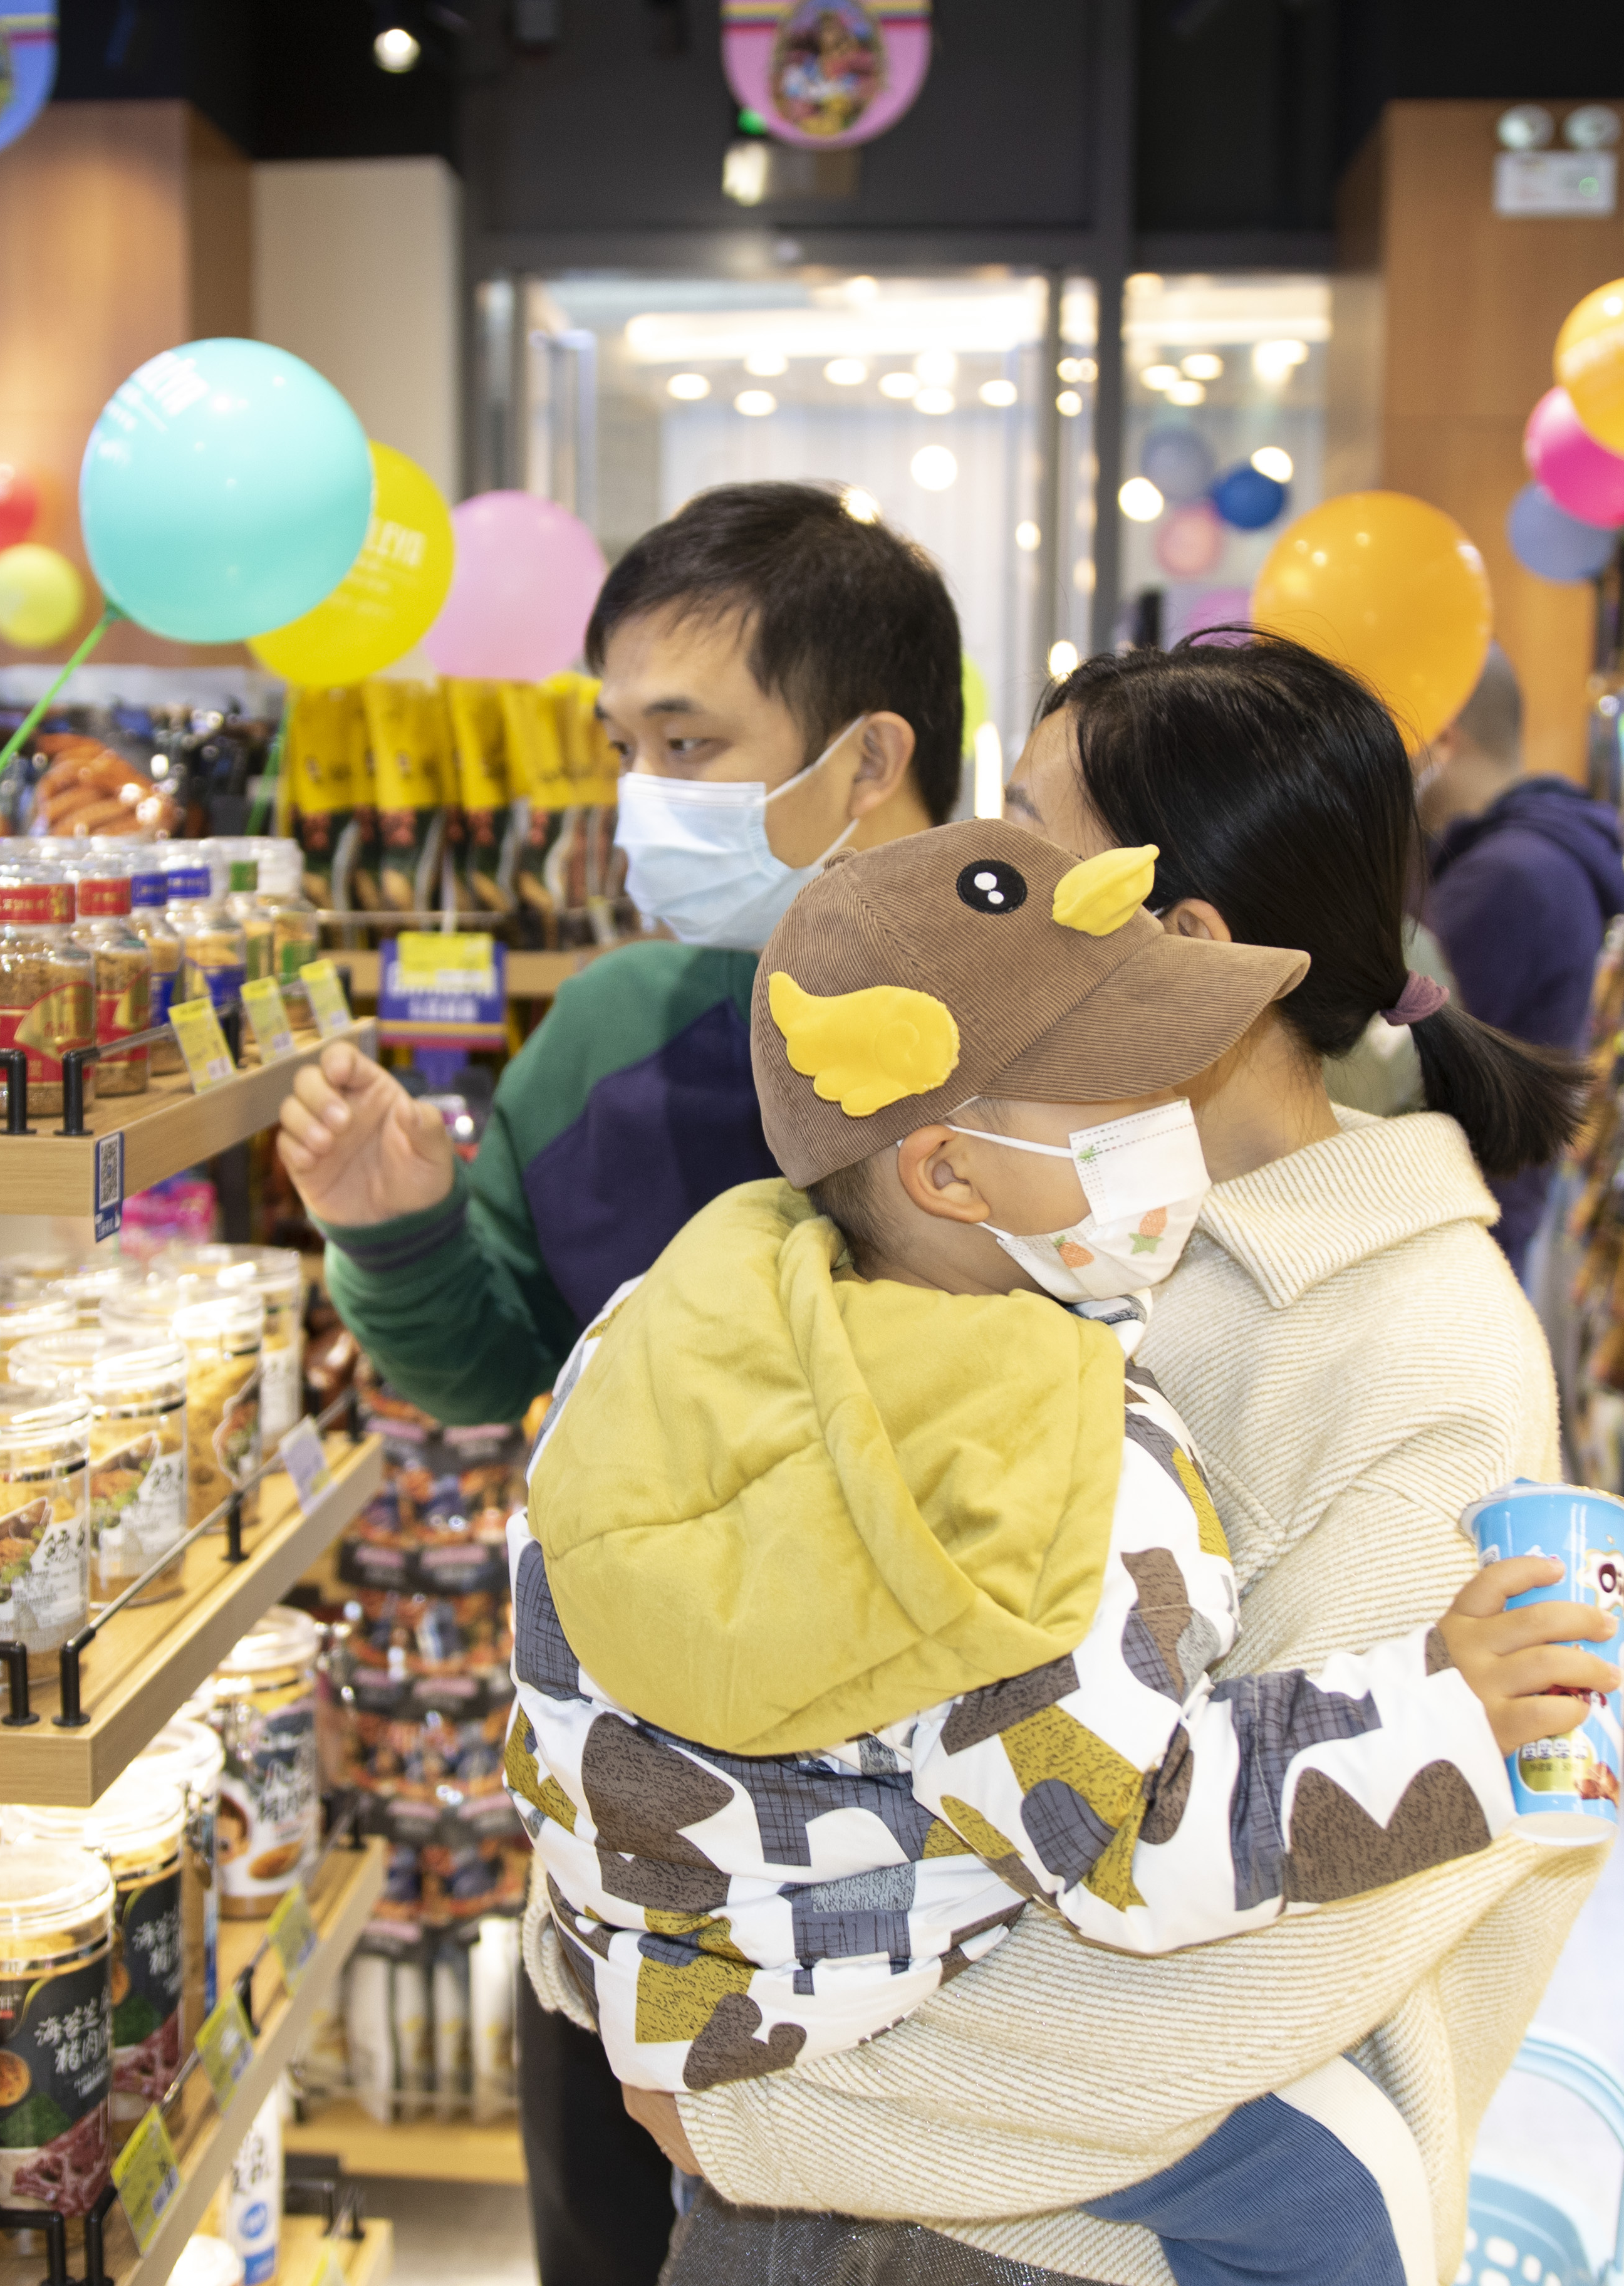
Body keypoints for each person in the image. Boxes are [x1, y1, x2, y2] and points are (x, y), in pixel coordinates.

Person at [511, 819, 1621, 2286]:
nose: (1175, 1118)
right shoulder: (1029, 1453)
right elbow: (1136, 1838)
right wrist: (1446, 1716)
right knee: (1341, 2195)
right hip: (845, 2031)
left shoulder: (676, 1319)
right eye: (1118, 1099)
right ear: (948, 1172)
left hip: (679, 1980)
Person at [273, 478, 964, 2286]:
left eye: (691, 740)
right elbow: (499, 1356)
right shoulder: (611, 1028)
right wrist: (398, 1226)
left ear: (869, 754)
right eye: (622, 742)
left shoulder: (1038, 1031)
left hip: (960, 1871)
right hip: (627, 1851)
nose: (639, 791)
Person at [1410, 644, 1624, 1268]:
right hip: (1483, 1213)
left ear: (1443, 739)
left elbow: (1401, 1053)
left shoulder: (1509, 878)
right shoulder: (1519, 855)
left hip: (1459, 1231)